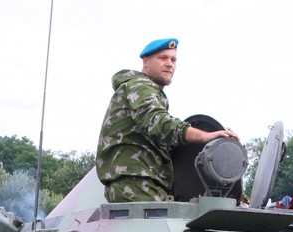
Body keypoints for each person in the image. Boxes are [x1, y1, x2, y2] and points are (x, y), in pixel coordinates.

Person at [96, 38, 238, 203]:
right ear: (146, 62)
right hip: (136, 181)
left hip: (141, 180)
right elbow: (158, 122)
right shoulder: (140, 86)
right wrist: (204, 136)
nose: (170, 64)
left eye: (173, 60)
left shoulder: (142, 89)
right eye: (163, 58)